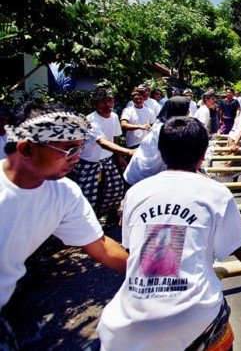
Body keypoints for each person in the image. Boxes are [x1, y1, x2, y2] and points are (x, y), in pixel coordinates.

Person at [97, 117, 241, 350]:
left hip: (127, 325)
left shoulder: (136, 192)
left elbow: (131, 248)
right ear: (203, 154)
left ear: (161, 152)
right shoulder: (216, 192)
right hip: (196, 316)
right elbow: (238, 245)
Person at [0, 104, 128, 347]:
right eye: (69, 149)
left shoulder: (64, 193)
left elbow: (101, 246)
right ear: (26, 148)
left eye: (79, 148)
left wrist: (151, 277)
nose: (76, 158)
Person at [69, 88, 134, 221]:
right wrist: (128, 151)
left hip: (107, 159)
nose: (107, 104)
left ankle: (109, 215)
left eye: (110, 100)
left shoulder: (114, 116)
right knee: (86, 195)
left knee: (116, 188)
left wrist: (119, 157)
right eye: (102, 101)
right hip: (88, 162)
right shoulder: (90, 120)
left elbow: (115, 137)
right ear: (95, 104)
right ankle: (84, 221)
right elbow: (103, 142)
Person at [123, 97, 191, 186]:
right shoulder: (166, 130)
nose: (189, 112)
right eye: (187, 109)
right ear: (179, 111)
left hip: (146, 172)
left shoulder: (163, 125)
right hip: (142, 175)